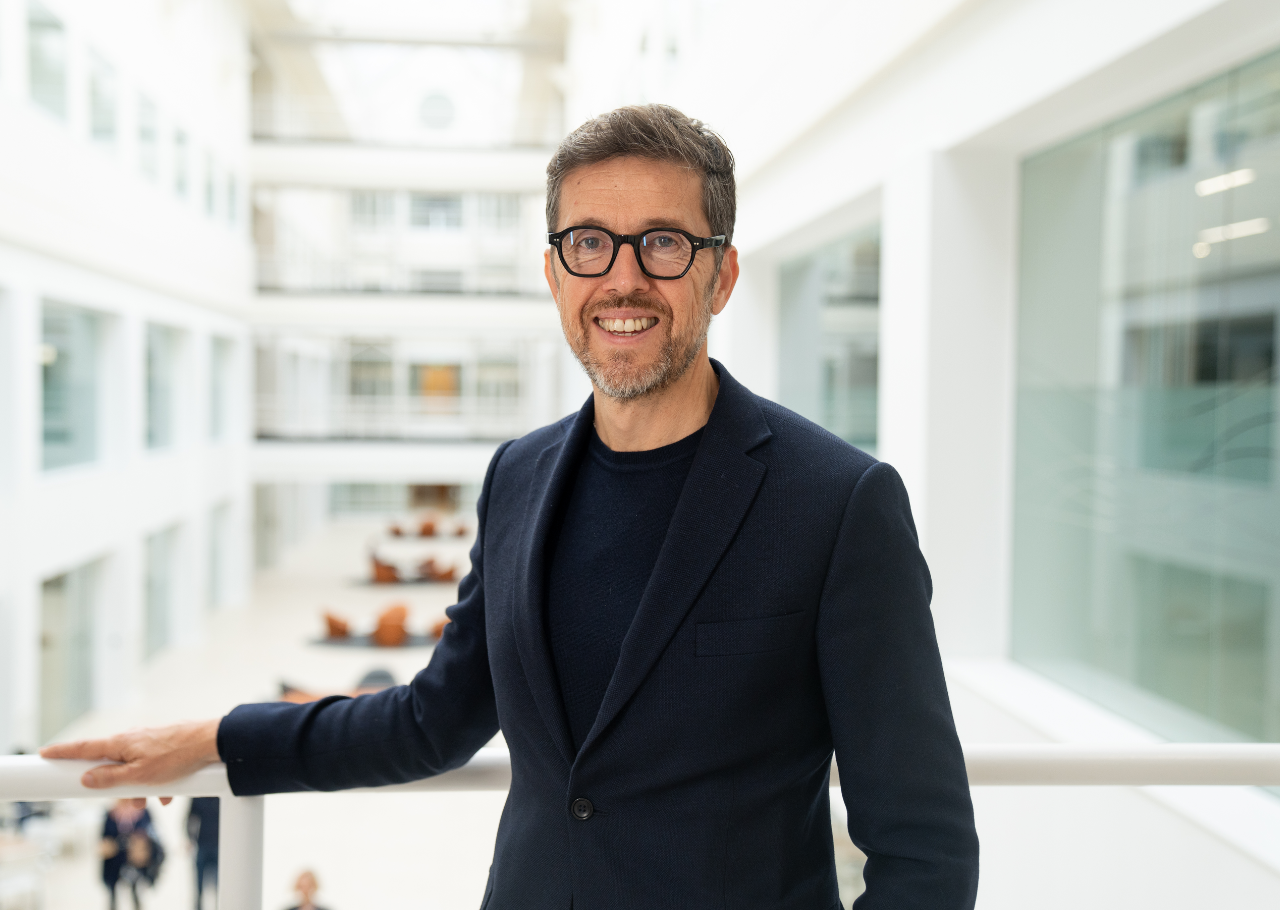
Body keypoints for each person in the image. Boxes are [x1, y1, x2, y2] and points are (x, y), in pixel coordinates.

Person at [43, 104, 980, 909]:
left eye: (662, 243)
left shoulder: (839, 501)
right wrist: (219, 738)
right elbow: (431, 720)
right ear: (553, 274)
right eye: (588, 244)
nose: (622, 278)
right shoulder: (519, 477)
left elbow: (925, 846)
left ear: (720, 275)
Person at [101, 798, 164, 910]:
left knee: (135, 892)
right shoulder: (110, 814)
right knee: (113, 894)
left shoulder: (143, 812)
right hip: (115, 860)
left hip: (136, 861)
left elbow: (152, 833)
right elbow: (104, 839)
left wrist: (140, 842)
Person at [186, 796, 218, 910]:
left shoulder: (221, 796)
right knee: (198, 886)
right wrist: (190, 838)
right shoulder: (199, 796)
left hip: (218, 846)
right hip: (202, 845)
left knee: (218, 886)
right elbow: (190, 817)